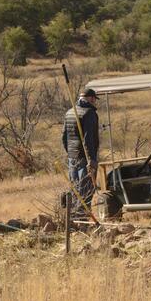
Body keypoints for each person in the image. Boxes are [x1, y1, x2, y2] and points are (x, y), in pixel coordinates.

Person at [62, 88, 100, 217]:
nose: (95, 102)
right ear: (91, 98)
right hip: (85, 157)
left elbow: (64, 137)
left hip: (72, 157)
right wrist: (91, 160)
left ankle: (73, 217)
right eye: (94, 99)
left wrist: (70, 153)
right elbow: (88, 139)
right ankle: (82, 218)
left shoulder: (69, 112)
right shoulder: (89, 113)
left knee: (75, 189)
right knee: (86, 189)